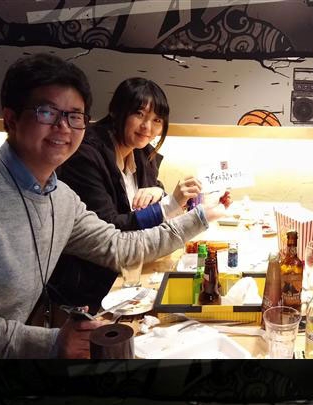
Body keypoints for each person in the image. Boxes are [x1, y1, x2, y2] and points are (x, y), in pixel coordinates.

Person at [0, 53, 224, 359]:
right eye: (47, 112)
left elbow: (121, 247)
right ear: (11, 119)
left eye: (74, 116)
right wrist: (49, 342)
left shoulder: (60, 197)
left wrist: (200, 216)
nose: (63, 127)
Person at [52, 77, 203, 310]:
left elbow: (149, 202)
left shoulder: (142, 152)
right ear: (116, 111)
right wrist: (169, 203)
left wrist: (159, 192)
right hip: (95, 283)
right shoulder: (85, 156)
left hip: (133, 269)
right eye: (139, 114)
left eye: (157, 120)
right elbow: (109, 230)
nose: (147, 127)